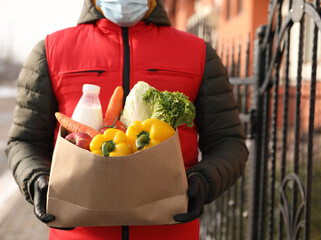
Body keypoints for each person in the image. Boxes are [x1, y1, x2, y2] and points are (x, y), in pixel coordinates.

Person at [5, 0, 248, 239]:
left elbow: (229, 141)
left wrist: (205, 180)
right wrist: (35, 177)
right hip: (78, 234)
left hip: (171, 230)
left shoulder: (198, 52)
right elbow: (24, 141)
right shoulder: (51, 50)